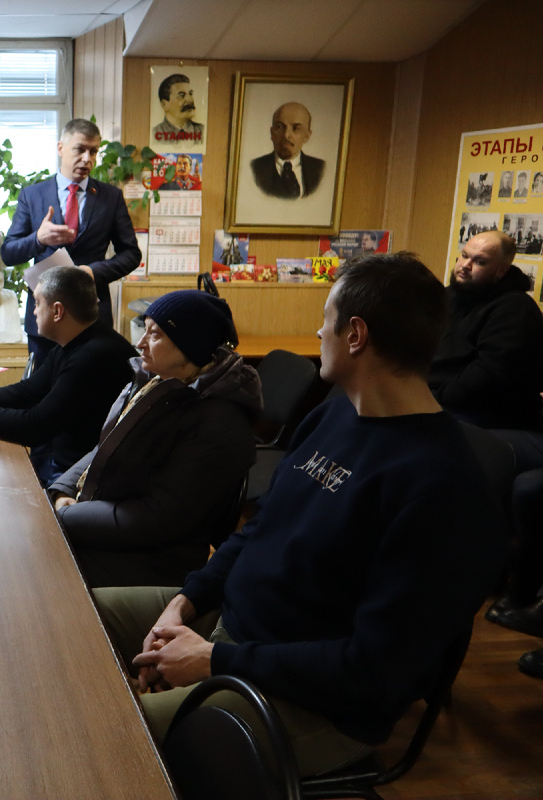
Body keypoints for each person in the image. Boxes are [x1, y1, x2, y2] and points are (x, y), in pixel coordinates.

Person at [92, 253, 508, 777]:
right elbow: (260, 529)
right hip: (234, 630)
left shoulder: (445, 490)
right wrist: (185, 601)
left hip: (315, 703)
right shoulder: (335, 411)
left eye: (326, 318)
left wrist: (211, 661)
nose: (318, 331)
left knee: (109, 733)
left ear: (355, 335)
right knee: (85, 616)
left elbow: (370, 673)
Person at [49, 291, 260, 588]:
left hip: (154, 560)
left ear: (190, 346)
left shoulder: (218, 423)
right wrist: (64, 490)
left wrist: (67, 517)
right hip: (109, 527)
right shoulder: (156, 382)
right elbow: (105, 447)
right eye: (145, 330)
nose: (140, 343)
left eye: (155, 334)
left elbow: (158, 518)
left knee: (44, 571)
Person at [0, 266, 135, 484]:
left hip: (83, 476)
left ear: (57, 311)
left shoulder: (93, 355)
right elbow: (27, 391)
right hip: (66, 461)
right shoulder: (76, 340)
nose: (34, 312)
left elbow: (35, 427)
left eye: (37, 303)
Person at [0, 118, 141, 362]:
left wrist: (92, 272)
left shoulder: (111, 197)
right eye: (80, 149)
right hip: (45, 316)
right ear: (61, 148)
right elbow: (8, 253)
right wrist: (38, 239)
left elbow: (131, 254)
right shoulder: (32, 195)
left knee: (91, 385)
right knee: (42, 384)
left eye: (93, 151)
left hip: (92, 316)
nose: (87, 159)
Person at [428, 230, 543, 430]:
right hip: (436, 401)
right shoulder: (449, 296)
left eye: (479, 262)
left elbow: (488, 376)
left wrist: (431, 402)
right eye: (464, 256)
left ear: (501, 270)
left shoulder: (516, 309)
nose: (465, 265)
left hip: (487, 416)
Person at [250, 102, 326, 199]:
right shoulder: (254, 168)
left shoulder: (320, 169)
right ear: (272, 133)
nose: (286, 135)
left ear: (307, 136)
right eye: (280, 127)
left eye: (296, 128)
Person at [152, 72, 203, 147]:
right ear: (164, 104)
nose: (189, 99)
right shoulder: (154, 134)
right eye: (181, 95)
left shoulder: (202, 131)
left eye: (190, 94)